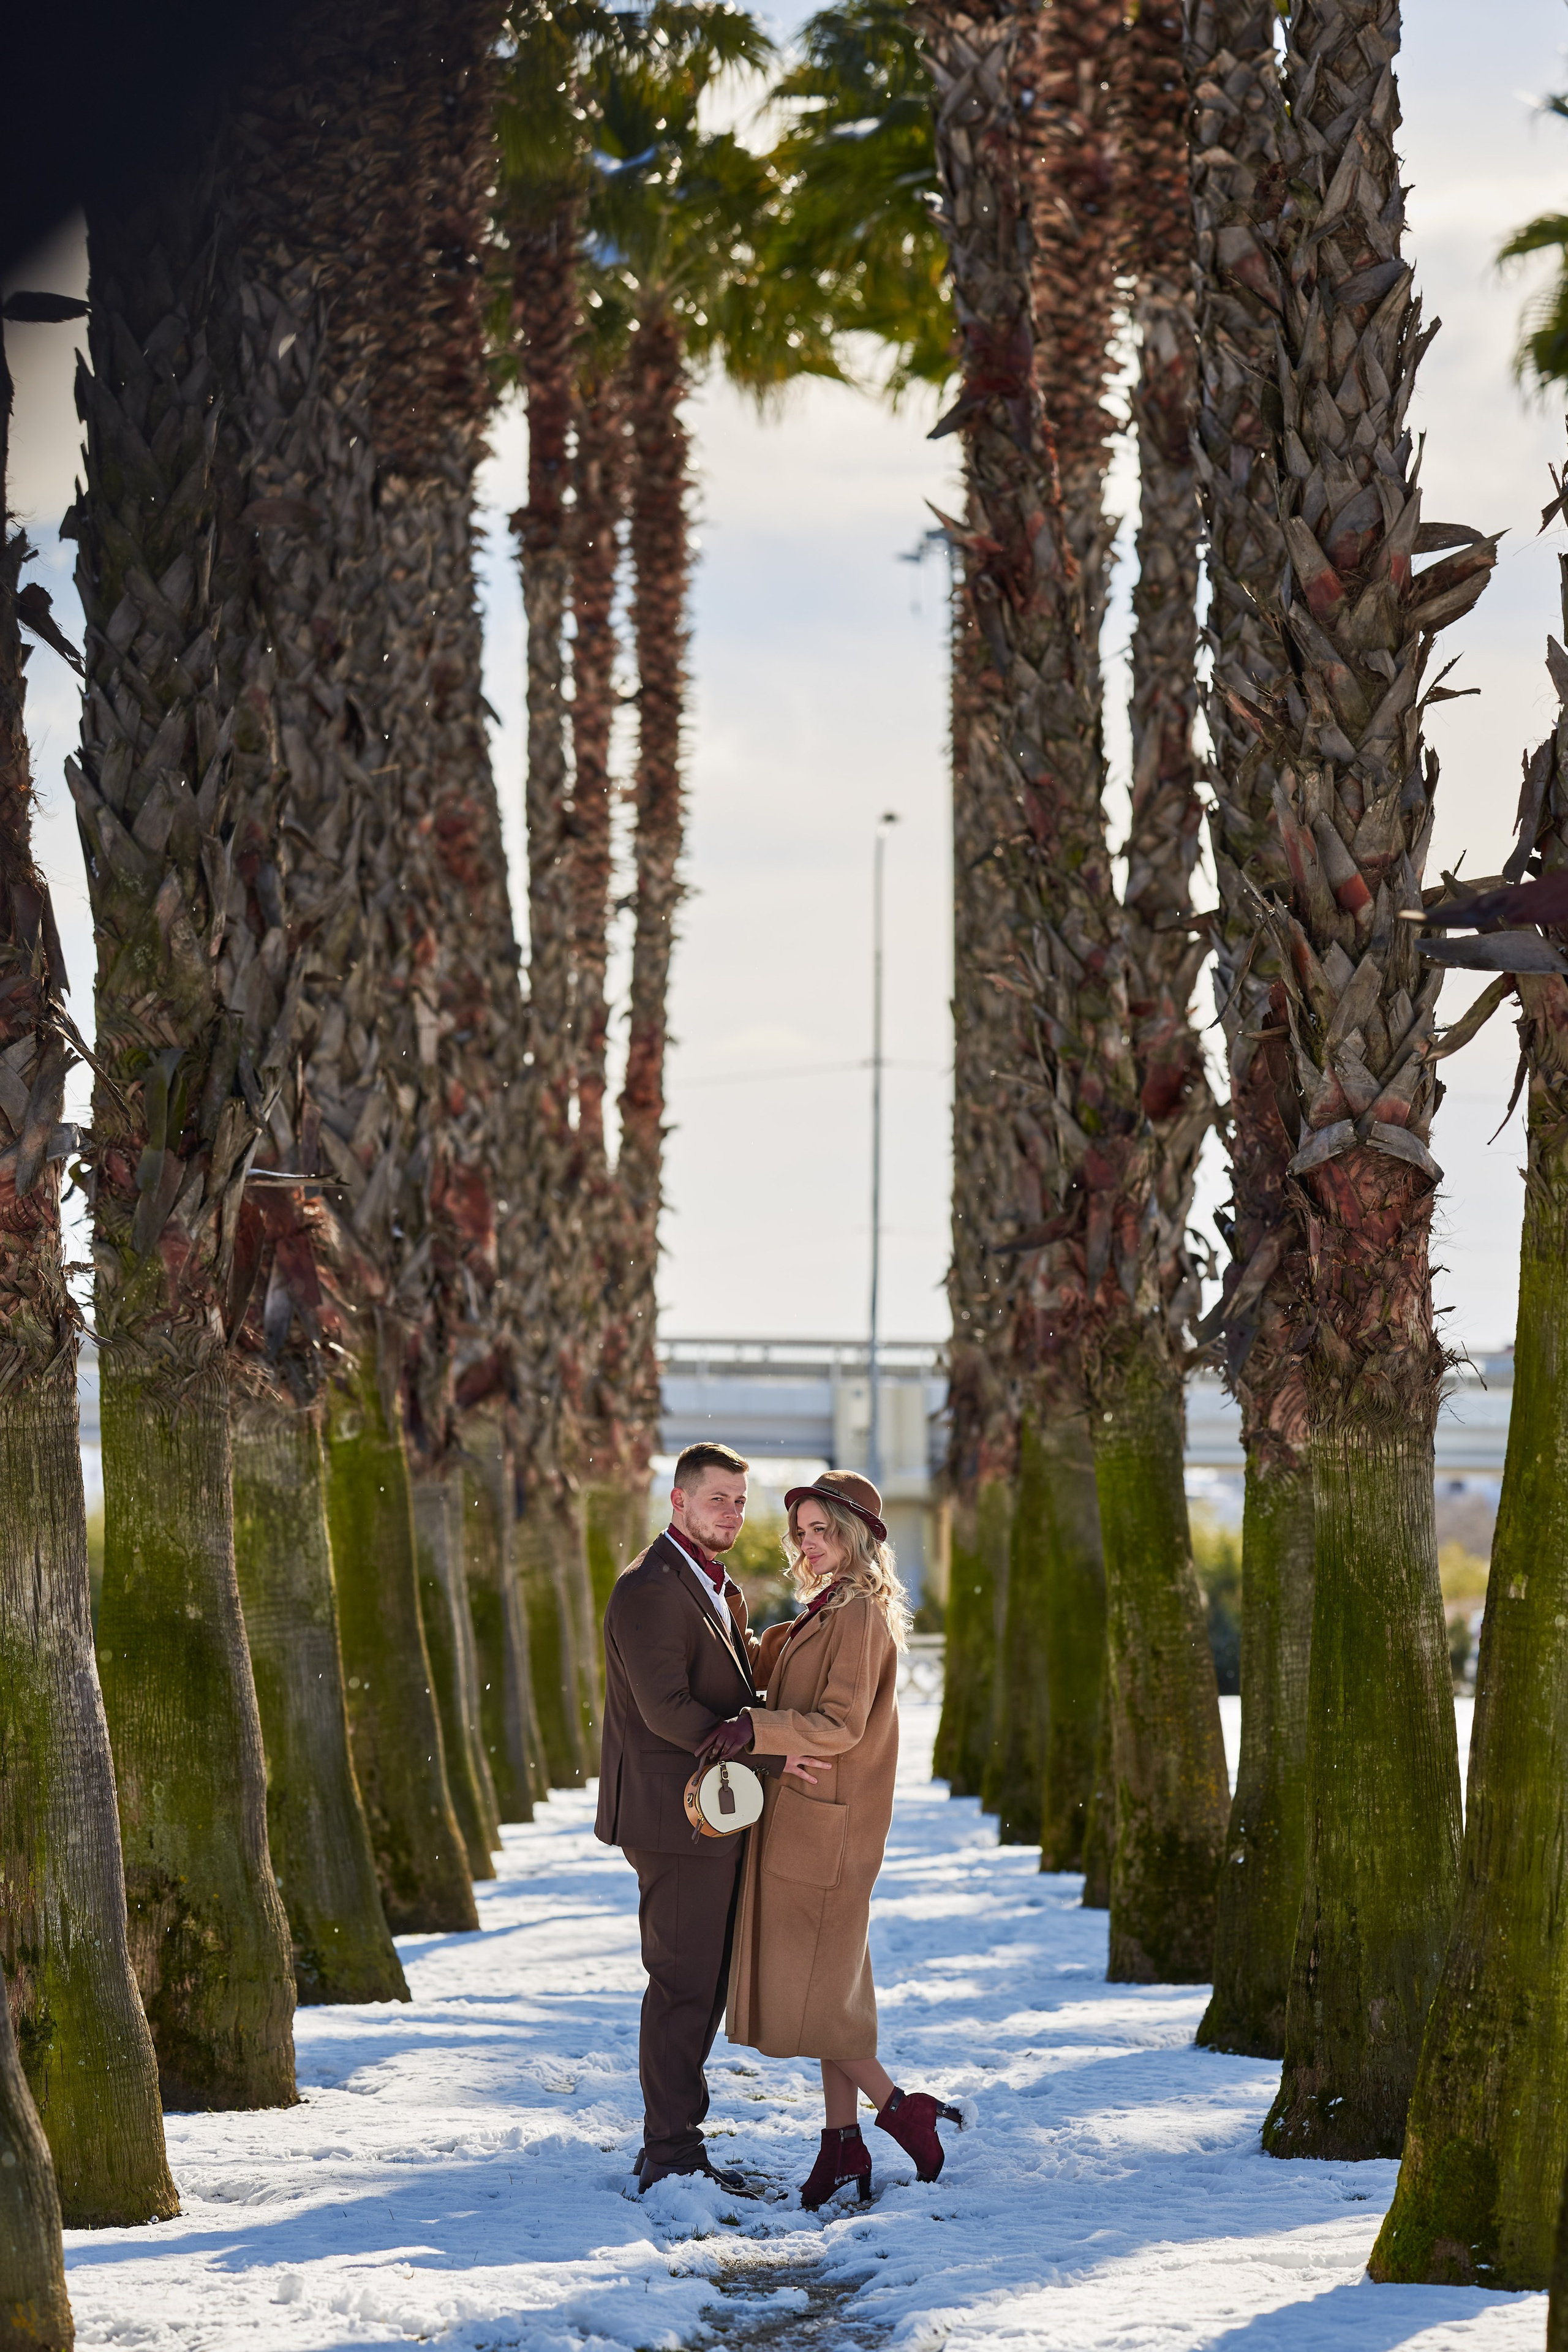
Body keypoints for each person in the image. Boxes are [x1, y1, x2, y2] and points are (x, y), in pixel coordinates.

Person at [714, 1470, 965, 2210]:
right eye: (802, 1532)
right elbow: (789, 1683)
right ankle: (842, 2147)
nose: (808, 1543)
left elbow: (840, 1723)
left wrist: (753, 1729)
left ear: (855, 1537)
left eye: (823, 1530)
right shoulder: (827, 1611)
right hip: (808, 1821)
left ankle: (901, 2112)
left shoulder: (856, 1614)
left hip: (830, 1827)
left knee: (821, 1998)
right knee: (831, 1995)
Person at [595, 1441, 812, 2193]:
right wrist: (773, 1756)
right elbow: (669, 1713)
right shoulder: (650, 1587)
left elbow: (731, 1680)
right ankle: (670, 2155)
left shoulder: (714, 1586)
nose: (732, 1514)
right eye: (717, 1499)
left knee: (700, 1982)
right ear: (678, 1502)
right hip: (673, 1815)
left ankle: (677, 2143)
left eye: (740, 1502)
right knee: (683, 1984)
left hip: (707, 1810)